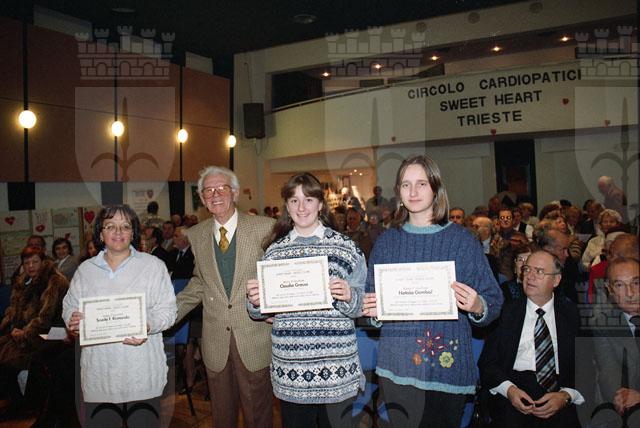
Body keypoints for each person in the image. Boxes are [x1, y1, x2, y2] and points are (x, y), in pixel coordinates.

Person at [361, 155, 503, 427]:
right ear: (399, 192)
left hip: (446, 371)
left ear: (436, 188)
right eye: (406, 185)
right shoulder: (387, 243)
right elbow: (370, 303)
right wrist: (374, 312)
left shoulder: (462, 241)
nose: (413, 192)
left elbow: (494, 301)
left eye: (422, 184)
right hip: (397, 369)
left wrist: (478, 306)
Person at [246, 172, 366, 428]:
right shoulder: (274, 252)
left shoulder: (346, 247)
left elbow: (361, 305)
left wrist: (349, 296)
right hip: (292, 372)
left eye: (308, 200)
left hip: (336, 370)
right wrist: (255, 301)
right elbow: (258, 312)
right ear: (287, 206)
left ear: (320, 204)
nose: (301, 208)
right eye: (294, 201)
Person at [174, 166, 275, 428]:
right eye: (208, 190)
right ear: (202, 198)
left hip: (254, 338)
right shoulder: (196, 235)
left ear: (236, 193)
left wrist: (278, 310)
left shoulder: (265, 228)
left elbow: (277, 276)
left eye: (222, 188)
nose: (215, 194)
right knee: (222, 417)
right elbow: (200, 282)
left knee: (259, 417)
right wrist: (164, 315)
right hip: (215, 342)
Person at [63, 205, 176, 427]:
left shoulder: (153, 266)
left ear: (133, 233)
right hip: (99, 375)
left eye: (125, 226)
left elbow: (169, 311)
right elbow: (69, 304)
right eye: (110, 226)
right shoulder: (86, 270)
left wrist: (147, 325)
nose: (118, 232)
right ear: (100, 233)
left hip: (141, 374)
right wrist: (72, 318)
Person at [479, 250, 583, 427]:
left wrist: (566, 395)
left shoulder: (571, 314)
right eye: (527, 269)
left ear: (556, 280)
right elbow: (487, 363)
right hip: (515, 388)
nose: (530, 276)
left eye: (539, 271)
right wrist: (509, 390)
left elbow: (585, 365)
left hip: (558, 390)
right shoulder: (506, 312)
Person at [0, 246, 68, 421]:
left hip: (55, 331)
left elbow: (45, 318)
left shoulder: (54, 281)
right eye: (26, 262)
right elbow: (13, 311)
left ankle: (23, 405)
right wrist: (11, 328)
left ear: (43, 261)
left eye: (35, 262)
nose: (30, 266)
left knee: (11, 359)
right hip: (28, 331)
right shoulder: (23, 281)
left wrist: (25, 333)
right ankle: (16, 402)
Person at [590, 257, 640, 426]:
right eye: (619, 285)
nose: (630, 293)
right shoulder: (603, 323)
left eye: (636, 283)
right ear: (609, 289)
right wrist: (622, 398)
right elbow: (608, 368)